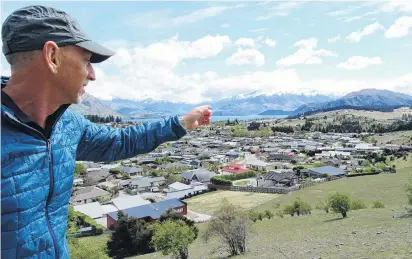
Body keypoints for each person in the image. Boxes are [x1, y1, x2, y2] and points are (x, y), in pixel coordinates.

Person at [1, 5, 212, 259]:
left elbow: (118, 141)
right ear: (52, 56)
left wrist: (181, 124)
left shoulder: (68, 125)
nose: (92, 75)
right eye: (87, 61)